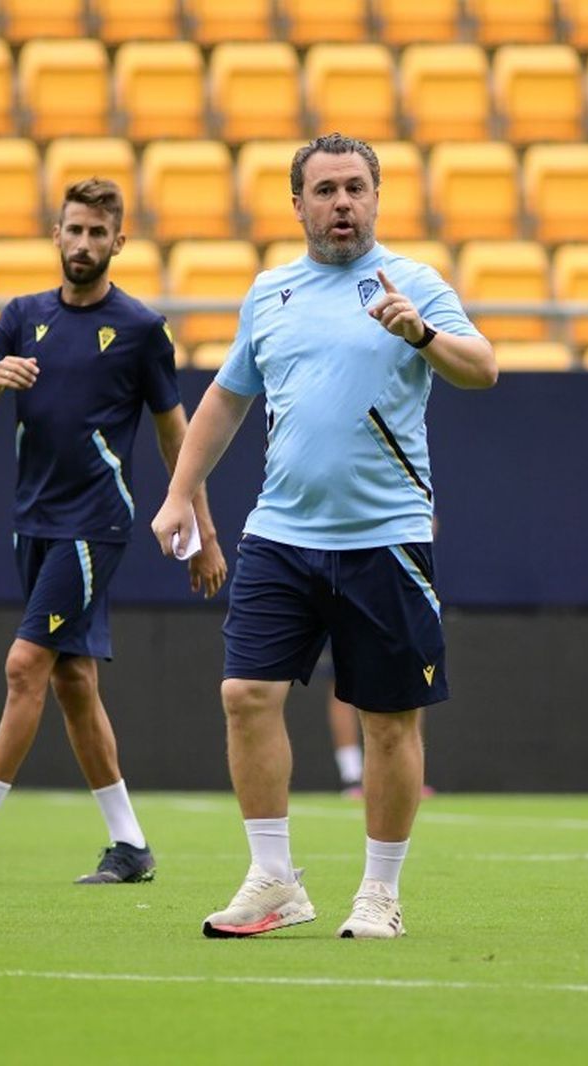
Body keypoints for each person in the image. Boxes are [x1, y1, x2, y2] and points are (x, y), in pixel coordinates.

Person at [152, 134, 497, 938]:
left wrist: (420, 334)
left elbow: (481, 367)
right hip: (280, 532)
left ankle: (379, 893)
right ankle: (274, 881)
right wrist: (179, 494)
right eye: (325, 190)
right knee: (245, 696)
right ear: (298, 204)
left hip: (387, 537)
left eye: (355, 188)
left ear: (377, 199)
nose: (342, 203)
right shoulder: (270, 293)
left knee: (388, 719)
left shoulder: (413, 283)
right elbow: (227, 399)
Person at [0, 178, 227, 886]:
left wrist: (202, 530)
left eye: (97, 233)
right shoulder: (22, 317)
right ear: (56, 235)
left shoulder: (142, 329)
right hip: (33, 523)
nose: (84, 244)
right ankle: (130, 846)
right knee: (74, 682)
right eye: (74, 230)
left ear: (119, 243)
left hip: (96, 524)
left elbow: (178, 436)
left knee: (25, 666)